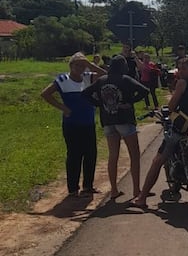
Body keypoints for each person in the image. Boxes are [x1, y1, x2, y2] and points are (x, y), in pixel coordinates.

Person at [132, 57, 188, 209]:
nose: (180, 72)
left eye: (183, 69)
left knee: (157, 161)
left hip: (184, 129)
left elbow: (171, 106)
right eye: (179, 69)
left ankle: (141, 198)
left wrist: (168, 110)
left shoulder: (182, 83)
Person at [82, 55, 149, 200]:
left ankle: (113, 190)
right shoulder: (125, 79)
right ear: (122, 66)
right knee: (134, 155)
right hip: (125, 120)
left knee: (113, 156)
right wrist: (130, 101)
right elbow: (144, 90)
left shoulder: (101, 80)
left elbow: (85, 94)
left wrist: (100, 104)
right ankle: (137, 190)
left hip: (108, 121)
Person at [41, 52, 106, 197]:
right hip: (72, 124)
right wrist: (62, 107)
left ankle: (88, 186)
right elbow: (45, 94)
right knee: (74, 155)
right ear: (71, 66)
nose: (80, 68)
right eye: (77, 65)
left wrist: (90, 64)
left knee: (90, 154)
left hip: (88, 123)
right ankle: (73, 188)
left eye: (83, 66)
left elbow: (105, 75)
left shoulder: (88, 77)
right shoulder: (63, 80)